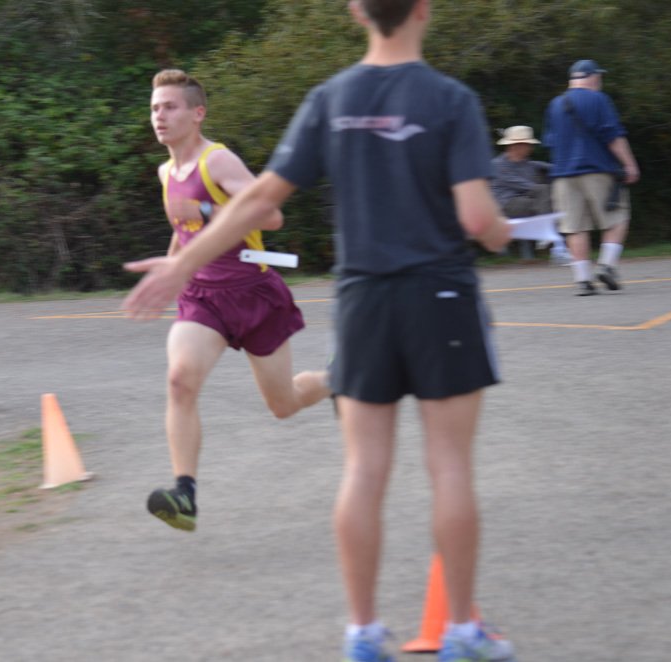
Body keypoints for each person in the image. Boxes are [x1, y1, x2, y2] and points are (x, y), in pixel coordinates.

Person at [123, 3, 516, 661]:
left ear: (357, 11)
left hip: (361, 298)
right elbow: (479, 220)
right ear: (423, 9)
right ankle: (462, 634)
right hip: (439, 294)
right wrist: (506, 232)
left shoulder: (331, 99)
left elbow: (260, 202)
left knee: (362, 469)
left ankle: (362, 635)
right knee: (449, 465)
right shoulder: (452, 99)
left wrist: (182, 262)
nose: (160, 115)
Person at [134, 68, 330, 533]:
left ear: (197, 113)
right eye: (155, 108)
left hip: (253, 294)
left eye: (170, 107)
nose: (160, 116)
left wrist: (204, 207)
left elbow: (271, 215)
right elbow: (184, 232)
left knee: (283, 405)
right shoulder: (166, 172)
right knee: (180, 380)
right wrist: (171, 271)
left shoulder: (218, 162)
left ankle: (342, 377)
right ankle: (184, 494)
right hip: (202, 299)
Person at [542, 59, 640, 296]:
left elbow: (550, 142)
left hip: (563, 176)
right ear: (593, 77)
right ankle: (606, 266)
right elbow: (612, 136)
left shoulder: (555, 104)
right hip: (597, 170)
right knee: (617, 218)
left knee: (575, 227)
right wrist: (629, 164)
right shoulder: (599, 99)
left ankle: (583, 281)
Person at [490, 125, 553, 259]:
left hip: (524, 203)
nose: (531, 148)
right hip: (505, 206)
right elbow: (527, 187)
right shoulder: (498, 165)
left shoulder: (528, 164)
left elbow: (554, 168)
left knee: (551, 199)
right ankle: (545, 232)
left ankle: (547, 235)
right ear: (515, 146)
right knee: (544, 193)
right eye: (528, 145)